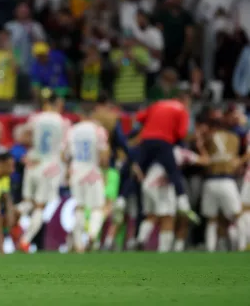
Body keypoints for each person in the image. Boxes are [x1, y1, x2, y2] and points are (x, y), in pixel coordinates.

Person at [114, 91, 198, 224]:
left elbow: (139, 118)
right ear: (185, 101)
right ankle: (183, 203)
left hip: (146, 141)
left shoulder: (158, 104)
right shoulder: (182, 110)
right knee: (173, 171)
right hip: (164, 141)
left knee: (136, 169)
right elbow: (181, 133)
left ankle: (121, 200)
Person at [18, 91, 69, 253]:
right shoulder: (63, 122)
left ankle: (7, 222)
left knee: (27, 202)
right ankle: (25, 241)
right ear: (57, 104)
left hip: (33, 163)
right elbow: (64, 151)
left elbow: (23, 137)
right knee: (40, 206)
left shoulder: (35, 118)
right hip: (49, 167)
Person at [137, 146, 209, 252]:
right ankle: (164, 251)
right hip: (161, 185)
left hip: (147, 184)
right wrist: (201, 146)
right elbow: (205, 161)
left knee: (152, 216)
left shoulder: (157, 149)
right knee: (168, 217)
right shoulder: (180, 152)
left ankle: (140, 240)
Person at [65, 105, 109, 252]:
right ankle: (92, 233)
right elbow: (103, 156)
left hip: (76, 170)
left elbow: (65, 154)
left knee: (79, 207)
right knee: (97, 207)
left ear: (80, 114)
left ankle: (78, 245)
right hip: (93, 171)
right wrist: (104, 172)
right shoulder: (98, 130)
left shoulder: (72, 131)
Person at [201, 118, 246, 252]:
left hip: (210, 181)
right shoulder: (234, 137)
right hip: (227, 181)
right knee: (237, 216)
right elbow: (236, 159)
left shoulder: (208, 137)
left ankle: (210, 250)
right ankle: (242, 247)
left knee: (212, 219)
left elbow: (205, 158)